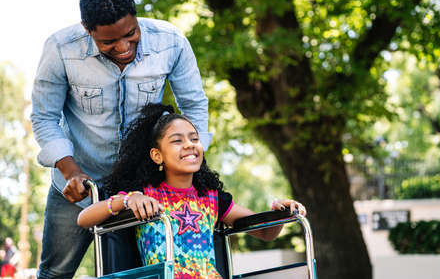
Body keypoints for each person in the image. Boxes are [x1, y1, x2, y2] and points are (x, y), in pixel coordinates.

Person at [30, 0, 210, 278]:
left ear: (136, 17)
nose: (124, 47)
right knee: (55, 272)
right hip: (80, 184)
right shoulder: (61, 48)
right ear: (88, 31)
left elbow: (194, 106)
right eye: (109, 43)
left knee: (144, 271)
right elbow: (44, 117)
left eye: (131, 34)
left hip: (143, 189)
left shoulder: (171, 42)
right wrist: (71, 172)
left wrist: (189, 164)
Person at [77, 103, 307, 278]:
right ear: (157, 155)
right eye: (177, 141)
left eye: (194, 138)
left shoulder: (212, 197)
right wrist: (126, 200)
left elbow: (265, 233)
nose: (189, 144)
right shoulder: (144, 194)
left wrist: (279, 213)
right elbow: (84, 219)